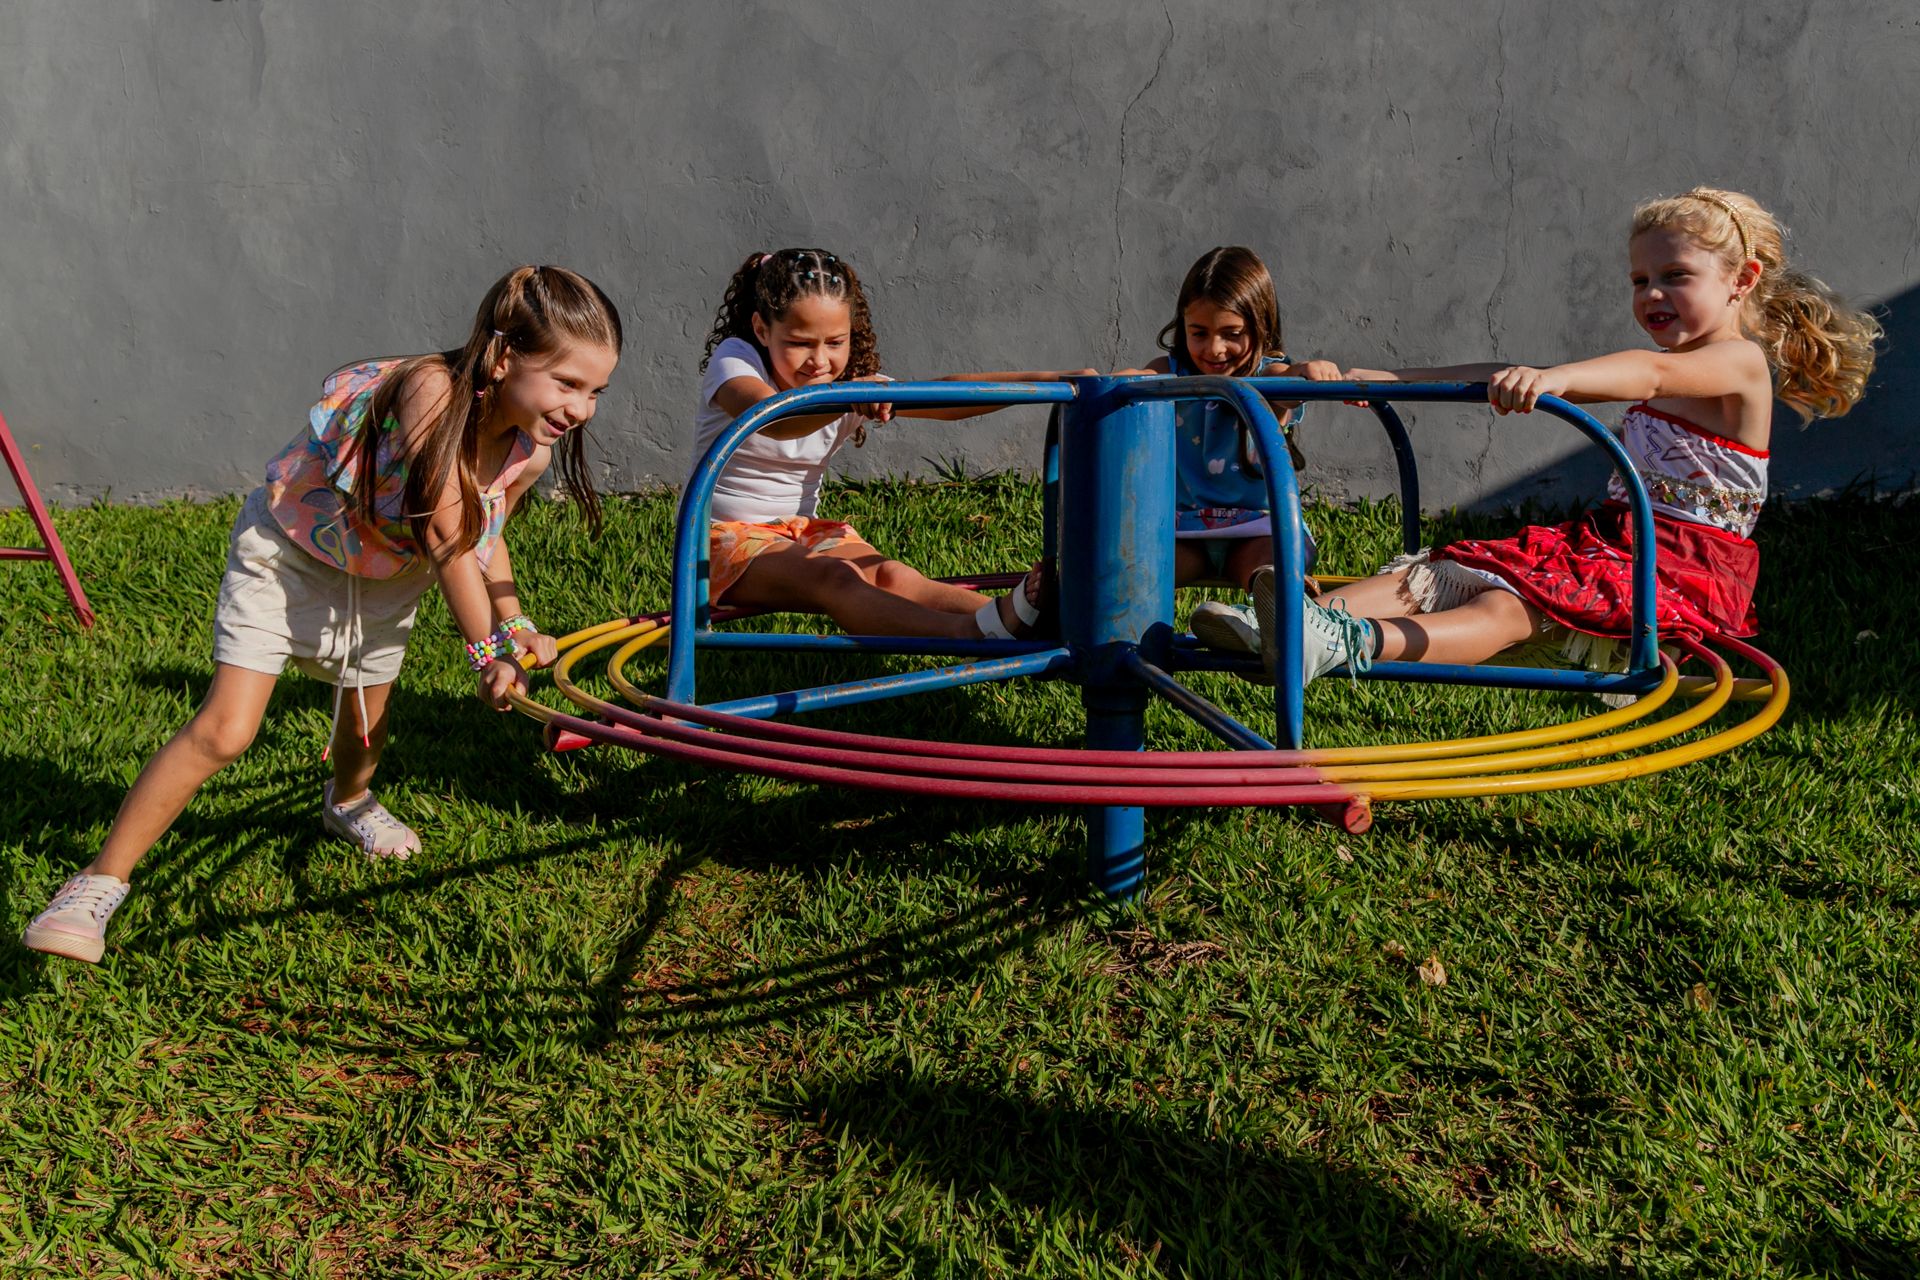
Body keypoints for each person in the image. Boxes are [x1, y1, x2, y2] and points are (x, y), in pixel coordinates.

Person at [22, 265, 623, 963]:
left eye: (597, 391)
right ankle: (96, 884)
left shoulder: (530, 450)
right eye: (568, 383)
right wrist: (488, 653)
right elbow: (444, 535)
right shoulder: (430, 389)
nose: (581, 407)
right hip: (289, 557)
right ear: (503, 355)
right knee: (226, 730)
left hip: (384, 579)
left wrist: (514, 623)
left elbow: (486, 543)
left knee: (366, 729)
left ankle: (348, 803)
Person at [1264, 187, 1880, 687]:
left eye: (1675, 275)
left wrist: (1554, 378)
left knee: (1511, 606)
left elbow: (1650, 370)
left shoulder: (1738, 363)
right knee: (1444, 570)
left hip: (1678, 570)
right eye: (1640, 281)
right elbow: (1501, 374)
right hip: (1610, 539)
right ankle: (1285, 619)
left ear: (1741, 281)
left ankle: (1346, 641)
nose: (1652, 294)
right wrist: (1390, 380)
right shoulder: (1688, 358)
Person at [696, 247, 1089, 639]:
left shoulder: (846, 387)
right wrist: (848, 396)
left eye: (835, 342)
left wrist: (1050, 380)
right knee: (838, 576)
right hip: (720, 541)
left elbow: (946, 397)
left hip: (802, 531)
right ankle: (968, 632)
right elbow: (773, 419)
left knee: (891, 573)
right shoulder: (737, 362)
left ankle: (1022, 623)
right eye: (801, 343)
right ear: (762, 330)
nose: (819, 360)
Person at [1123, 246, 1339, 659]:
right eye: (1198, 332)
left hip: (1256, 527)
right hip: (1186, 529)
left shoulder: (1267, 376)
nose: (1214, 350)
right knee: (1138, 565)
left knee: (1270, 565)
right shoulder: (1171, 372)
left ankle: (1267, 615)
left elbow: (1293, 376)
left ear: (1260, 329)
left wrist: (1312, 371)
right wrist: (1110, 381)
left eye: (1231, 334)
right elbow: (1131, 380)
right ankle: (1127, 643)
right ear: (1182, 324)